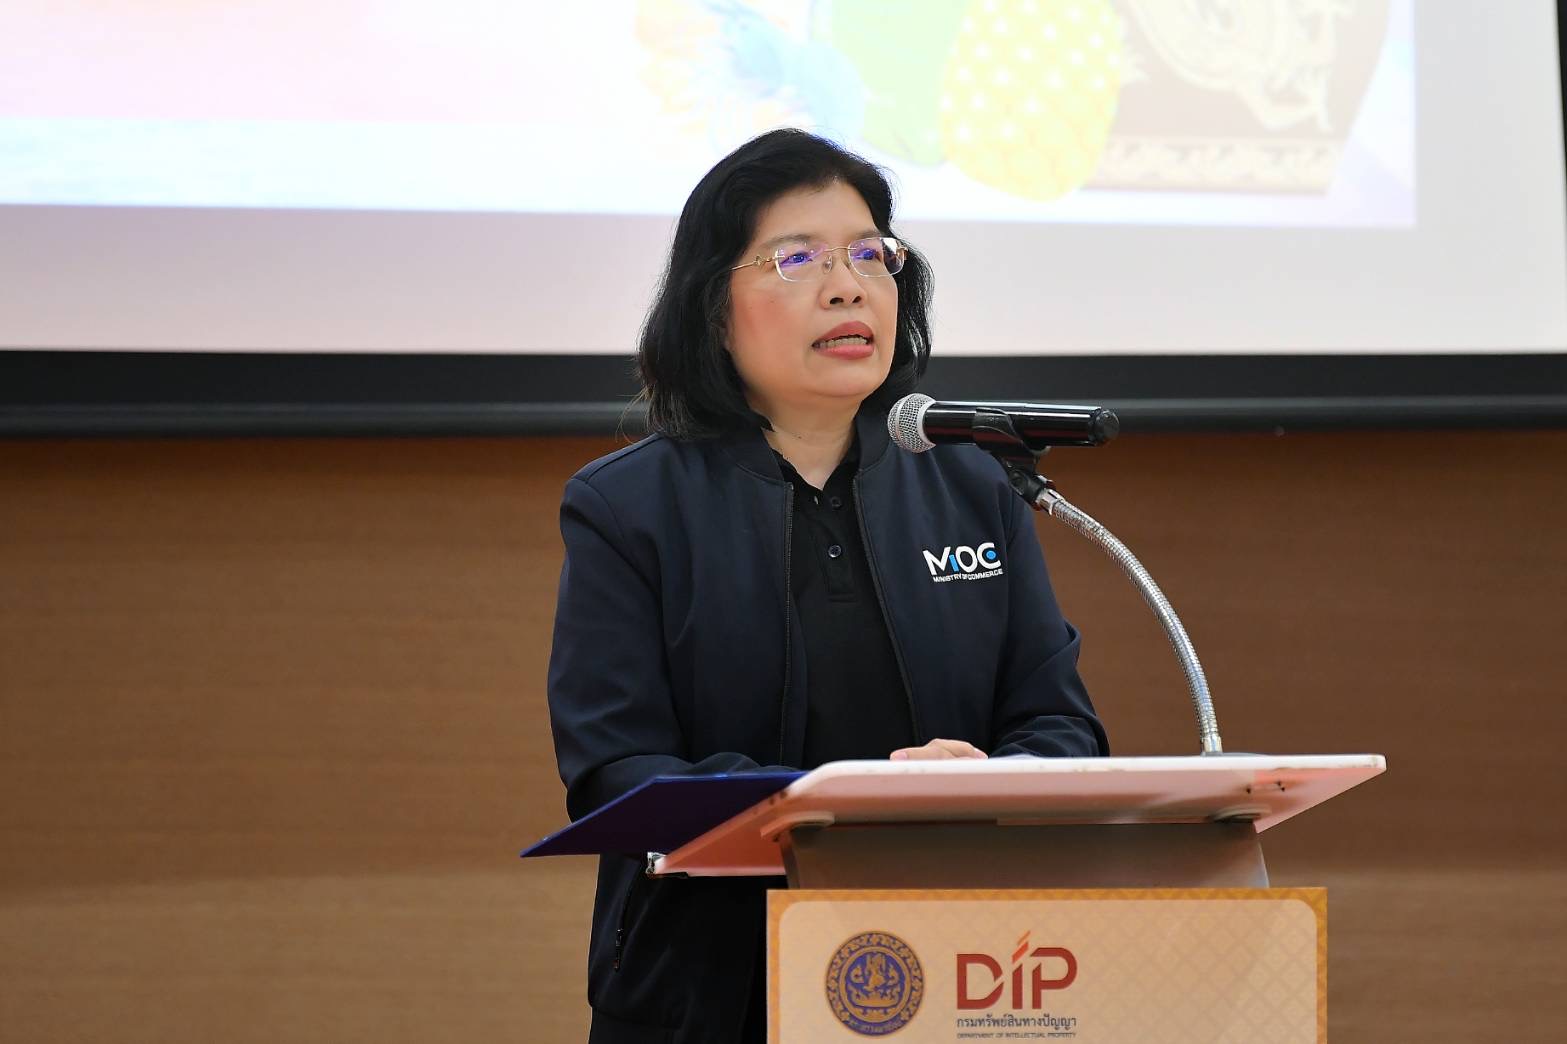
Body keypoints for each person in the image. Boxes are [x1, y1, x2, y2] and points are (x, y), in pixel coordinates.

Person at [546, 128, 1107, 1043]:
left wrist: (990, 783)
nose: (847, 285)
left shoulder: (972, 484)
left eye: (869, 255)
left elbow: (1059, 725)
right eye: (797, 258)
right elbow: (616, 770)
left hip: (966, 967)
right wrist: (836, 803)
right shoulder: (628, 507)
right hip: (712, 985)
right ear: (712, 310)